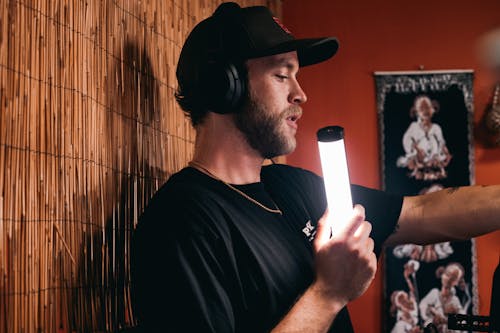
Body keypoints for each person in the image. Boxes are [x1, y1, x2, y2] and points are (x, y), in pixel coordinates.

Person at [130, 3, 500, 332]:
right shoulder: (179, 222)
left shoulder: (291, 187)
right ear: (224, 86)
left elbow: (420, 212)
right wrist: (328, 294)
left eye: (297, 75)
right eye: (281, 75)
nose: (300, 93)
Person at [396, 95, 452, 181]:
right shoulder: (414, 126)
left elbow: (441, 142)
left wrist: (445, 151)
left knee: (439, 154)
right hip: (419, 155)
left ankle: (434, 167)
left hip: (434, 155)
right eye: (422, 109)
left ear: (432, 109)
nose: (426, 111)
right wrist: (416, 148)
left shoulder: (436, 127)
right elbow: (407, 140)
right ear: (417, 112)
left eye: (428, 108)